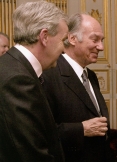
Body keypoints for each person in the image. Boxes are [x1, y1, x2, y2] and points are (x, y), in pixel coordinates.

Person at [0, 1, 68, 161]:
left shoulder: (13, 66)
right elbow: (30, 153)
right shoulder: (18, 79)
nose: (64, 49)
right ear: (44, 37)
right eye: (63, 40)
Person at [42, 13, 114, 162]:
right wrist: (81, 129)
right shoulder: (49, 74)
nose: (101, 47)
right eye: (95, 40)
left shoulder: (91, 75)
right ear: (72, 39)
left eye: (102, 40)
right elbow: (40, 131)